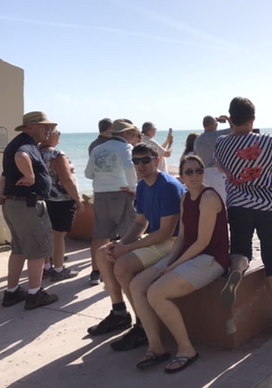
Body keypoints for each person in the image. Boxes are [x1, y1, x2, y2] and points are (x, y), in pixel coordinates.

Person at [129, 155, 229, 374]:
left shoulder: (208, 198)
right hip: (189, 254)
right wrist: (170, 261)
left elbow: (203, 242)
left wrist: (173, 267)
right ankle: (156, 346)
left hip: (211, 258)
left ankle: (186, 349)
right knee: (137, 285)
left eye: (199, 170)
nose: (195, 176)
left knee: (156, 293)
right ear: (182, 176)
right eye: (189, 172)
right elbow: (183, 237)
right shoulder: (185, 199)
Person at [87, 142, 186, 352]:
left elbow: (166, 233)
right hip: (156, 238)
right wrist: (121, 244)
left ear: (157, 161)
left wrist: (128, 249)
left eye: (145, 160)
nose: (140, 166)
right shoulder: (142, 186)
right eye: (136, 161)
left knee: (122, 265)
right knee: (103, 254)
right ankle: (119, 313)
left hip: (174, 242)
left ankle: (142, 325)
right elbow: (140, 223)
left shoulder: (168, 186)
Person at [214, 97, 272, 329]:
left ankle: (237, 270)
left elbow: (220, 168)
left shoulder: (221, 143)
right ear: (253, 119)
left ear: (230, 118)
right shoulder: (267, 141)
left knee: (239, 249)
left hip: (238, 205)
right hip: (268, 206)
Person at [0, 111, 59, 309]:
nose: (49, 130)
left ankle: (11, 292)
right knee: (37, 251)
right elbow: (22, 157)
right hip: (27, 206)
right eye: (44, 126)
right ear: (31, 127)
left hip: (14, 205)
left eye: (50, 127)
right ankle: (34, 294)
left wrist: (0, 195)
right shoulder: (25, 145)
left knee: (19, 250)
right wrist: (30, 176)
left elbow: (4, 175)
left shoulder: (17, 144)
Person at [84, 119, 139, 285]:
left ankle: (95, 272)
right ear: (124, 134)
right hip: (121, 193)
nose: (132, 136)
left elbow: (88, 173)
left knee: (100, 235)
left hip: (100, 195)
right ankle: (126, 270)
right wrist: (134, 188)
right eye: (131, 133)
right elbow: (130, 168)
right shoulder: (126, 148)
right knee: (127, 233)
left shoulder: (98, 149)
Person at [40, 129, 85, 280]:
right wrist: (78, 200)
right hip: (61, 200)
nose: (59, 138)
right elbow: (67, 179)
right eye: (58, 134)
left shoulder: (35, 154)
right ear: (51, 136)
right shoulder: (57, 155)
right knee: (58, 236)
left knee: (47, 234)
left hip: (43, 199)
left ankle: (46, 267)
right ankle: (58, 269)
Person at [193, 115, 232, 202]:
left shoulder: (197, 140)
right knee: (222, 201)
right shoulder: (216, 136)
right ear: (212, 125)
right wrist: (227, 119)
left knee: (208, 202)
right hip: (218, 172)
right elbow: (234, 129)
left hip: (204, 173)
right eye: (216, 124)